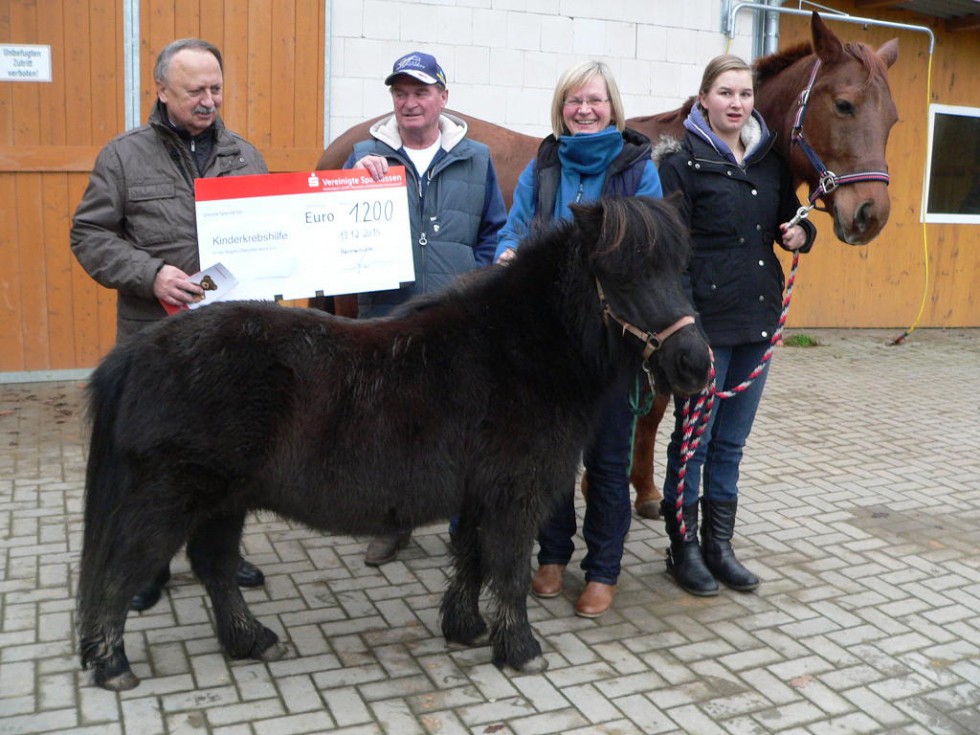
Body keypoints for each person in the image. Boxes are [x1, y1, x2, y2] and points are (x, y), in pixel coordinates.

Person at [70, 38, 268, 611]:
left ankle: (220, 557)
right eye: (194, 91)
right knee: (153, 461)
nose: (209, 101)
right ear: (161, 90)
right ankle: (148, 564)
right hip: (155, 344)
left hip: (228, 345)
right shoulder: (124, 157)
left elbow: (274, 236)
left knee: (229, 459)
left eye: (216, 89)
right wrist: (150, 273)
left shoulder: (244, 156)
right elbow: (90, 235)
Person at [498, 60, 663, 618]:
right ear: (561, 110)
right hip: (552, 344)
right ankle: (551, 556)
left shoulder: (639, 168)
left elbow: (647, 248)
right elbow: (517, 225)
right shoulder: (544, 165)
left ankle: (603, 569)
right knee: (551, 461)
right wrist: (508, 252)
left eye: (594, 100)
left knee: (610, 461)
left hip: (612, 345)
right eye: (574, 102)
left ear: (613, 107)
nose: (584, 110)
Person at [657, 54, 816, 596]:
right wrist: (686, 326)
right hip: (704, 322)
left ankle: (719, 546)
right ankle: (683, 549)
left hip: (758, 317)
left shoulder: (769, 159)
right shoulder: (681, 160)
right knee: (695, 439)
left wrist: (801, 234)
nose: (736, 103)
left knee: (732, 443)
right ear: (704, 98)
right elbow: (671, 253)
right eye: (725, 93)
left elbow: (785, 218)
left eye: (744, 94)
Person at [342, 51, 507, 566]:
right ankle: (393, 522)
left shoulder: (476, 157)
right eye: (400, 93)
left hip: (454, 322)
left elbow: (494, 230)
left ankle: (463, 525)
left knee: (458, 426)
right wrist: (351, 182)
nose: (410, 102)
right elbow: (335, 232)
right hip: (387, 319)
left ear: (442, 98)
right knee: (391, 427)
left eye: (421, 92)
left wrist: (474, 283)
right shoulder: (365, 155)